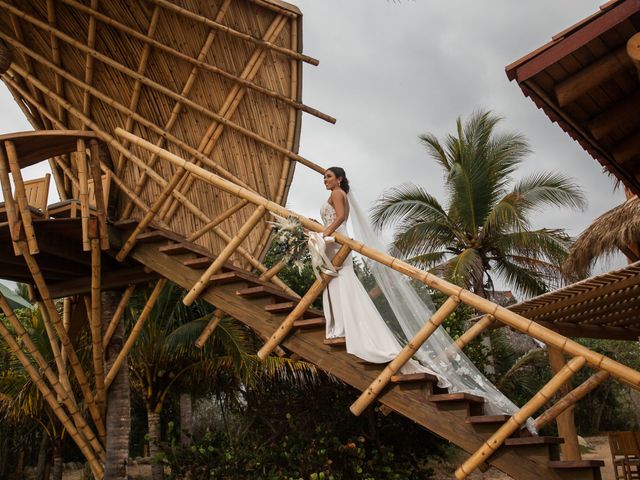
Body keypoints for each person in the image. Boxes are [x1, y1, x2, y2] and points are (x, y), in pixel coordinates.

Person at [316, 167, 536, 428]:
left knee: (341, 282)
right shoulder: (338, 192)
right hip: (335, 243)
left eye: (329, 176)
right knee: (337, 283)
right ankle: (342, 326)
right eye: (325, 177)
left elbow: (340, 217)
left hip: (336, 242)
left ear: (339, 179)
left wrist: (323, 233)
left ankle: (345, 327)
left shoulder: (339, 193)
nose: (325, 180)